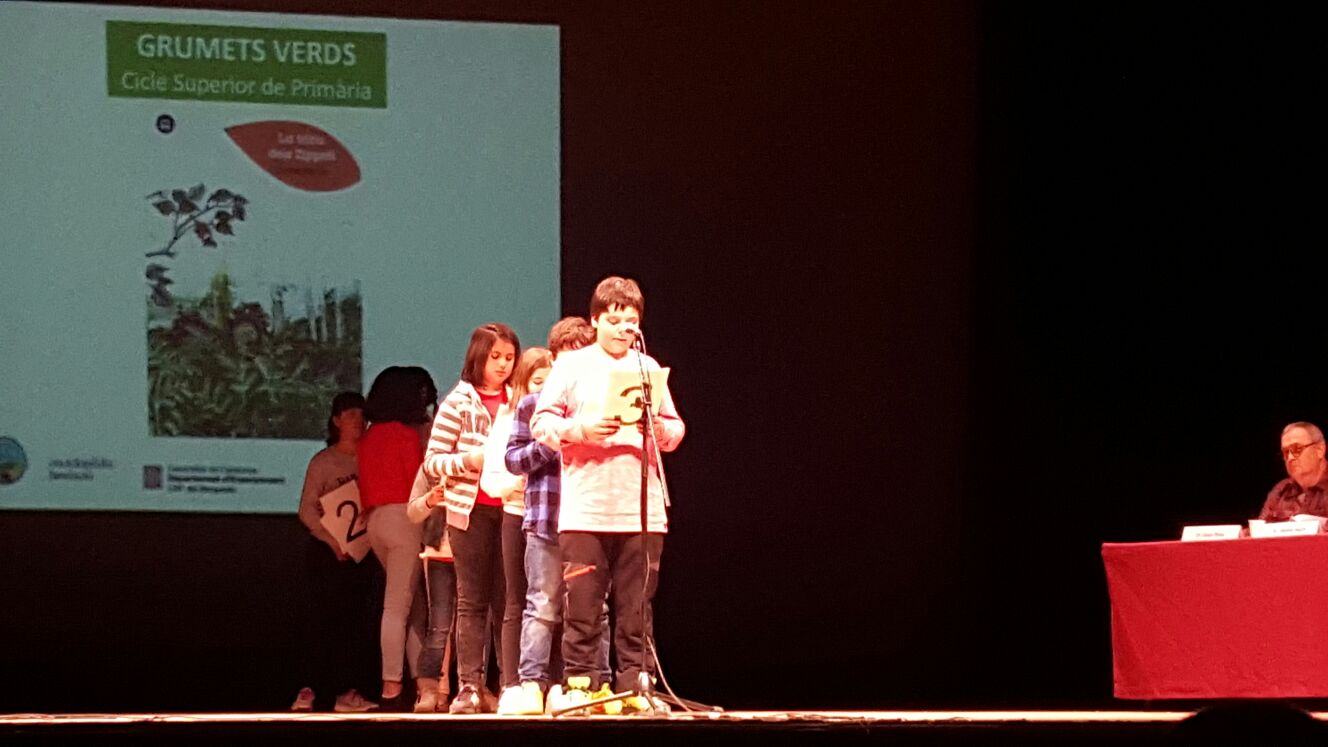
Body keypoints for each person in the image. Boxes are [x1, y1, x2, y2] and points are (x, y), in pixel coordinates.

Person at [532, 277, 685, 713]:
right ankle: (581, 687)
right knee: (583, 607)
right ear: (596, 320)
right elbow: (541, 423)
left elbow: (675, 428)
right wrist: (582, 430)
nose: (623, 329)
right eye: (614, 320)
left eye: (630, 321)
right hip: (586, 509)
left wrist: (658, 430)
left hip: (641, 510)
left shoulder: (647, 366)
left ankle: (637, 686)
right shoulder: (571, 366)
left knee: (637, 609)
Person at [416, 323, 520, 714]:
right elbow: (432, 462)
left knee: (508, 601)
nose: (503, 365)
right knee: (472, 601)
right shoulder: (458, 402)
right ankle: (470, 686)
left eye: (509, 358)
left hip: (511, 509)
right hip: (470, 511)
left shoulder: (517, 400)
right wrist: (470, 460)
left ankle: (510, 685)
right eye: (495, 357)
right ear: (478, 357)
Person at [499, 317, 598, 715]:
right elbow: (512, 459)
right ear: (554, 360)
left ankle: (592, 684)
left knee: (593, 608)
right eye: (565, 358)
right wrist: (549, 445)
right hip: (545, 520)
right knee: (541, 604)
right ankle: (532, 684)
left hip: (590, 521)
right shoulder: (532, 405)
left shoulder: (599, 408)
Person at [290, 391, 379, 713]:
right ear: (337, 421)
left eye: (362, 416)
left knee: (354, 625)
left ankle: (346, 691)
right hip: (326, 554)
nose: (358, 422)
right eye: (351, 415)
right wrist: (332, 543)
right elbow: (307, 510)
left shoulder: (370, 459)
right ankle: (310, 689)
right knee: (321, 622)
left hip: (361, 554)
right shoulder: (324, 461)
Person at [359, 366, 437, 710]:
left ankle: (421, 683)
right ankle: (392, 686)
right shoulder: (406, 436)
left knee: (413, 606)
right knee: (398, 607)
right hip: (404, 518)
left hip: (375, 520)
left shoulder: (369, 436)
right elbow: (418, 484)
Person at [481, 346, 553, 715]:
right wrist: (516, 486)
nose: (545, 389)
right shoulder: (511, 418)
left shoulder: (560, 416)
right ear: (524, 383)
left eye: (550, 382)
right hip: (517, 515)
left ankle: (554, 683)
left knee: (553, 602)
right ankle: (512, 683)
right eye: (538, 382)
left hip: (554, 518)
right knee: (517, 602)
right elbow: (492, 479)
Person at [1259, 421, 1328, 522]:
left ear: (1320, 450)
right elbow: (1259, 528)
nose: (1290, 457)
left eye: (1297, 449)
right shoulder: (1280, 491)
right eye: (1286, 452)